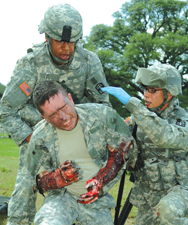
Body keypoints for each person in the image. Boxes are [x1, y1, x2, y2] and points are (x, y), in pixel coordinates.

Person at [0, 4, 111, 224]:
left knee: (88, 193)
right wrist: (32, 139)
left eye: (71, 42)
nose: (66, 48)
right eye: (60, 41)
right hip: (37, 139)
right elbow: (6, 109)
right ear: (46, 36)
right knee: (23, 195)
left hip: (77, 139)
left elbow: (103, 106)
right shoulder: (31, 64)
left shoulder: (89, 61)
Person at [26, 80, 136, 225]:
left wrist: (101, 180)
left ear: (70, 99)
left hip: (97, 201)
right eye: (53, 114)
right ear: (44, 117)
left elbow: (123, 152)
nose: (63, 117)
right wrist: (58, 178)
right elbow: (40, 182)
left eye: (64, 107)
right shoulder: (39, 137)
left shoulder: (102, 115)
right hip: (62, 197)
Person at [102, 64, 188, 225]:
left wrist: (132, 104)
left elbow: (164, 136)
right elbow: (118, 133)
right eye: (145, 89)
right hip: (148, 194)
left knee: (168, 210)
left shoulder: (183, 121)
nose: (146, 95)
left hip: (180, 190)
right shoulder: (139, 120)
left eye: (152, 90)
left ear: (169, 93)